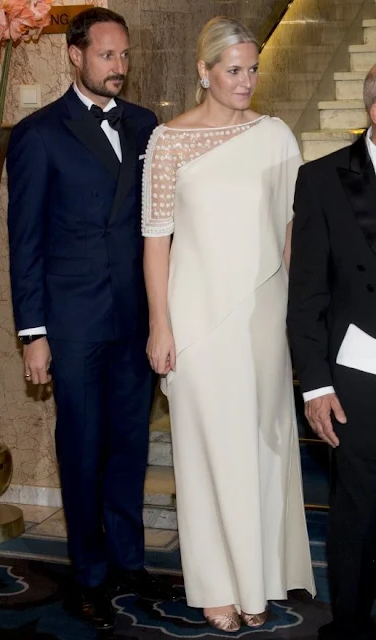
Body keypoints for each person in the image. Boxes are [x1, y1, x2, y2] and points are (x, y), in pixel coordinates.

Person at [142, 15, 316, 632]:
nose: (247, 81)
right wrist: (160, 326)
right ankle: (216, 583)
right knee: (206, 450)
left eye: (253, 69)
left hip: (264, 318)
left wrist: (303, 325)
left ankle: (258, 577)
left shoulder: (277, 137)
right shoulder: (168, 142)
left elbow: (294, 238)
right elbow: (156, 242)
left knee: (262, 450)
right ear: (204, 72)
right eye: (234, 70)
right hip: (196, 322)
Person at [7, 7, 173, 631]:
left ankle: (130, 559)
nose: (119, 67)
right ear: (74, 56)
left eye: (124, 56)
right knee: (82, 446)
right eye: (108, 55)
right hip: (72, 323)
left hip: (133, 317)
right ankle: (90, 572)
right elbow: (25, 242)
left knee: (130, 443)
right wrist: (34, 333)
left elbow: (158, 225)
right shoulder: (39, 134)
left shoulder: (147, 125)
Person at [288, 65, 376, 640]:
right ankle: (349, 626)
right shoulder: (321, 179)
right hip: (360, 373)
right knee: (359, 509)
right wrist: (315, 385)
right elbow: (307, 294)